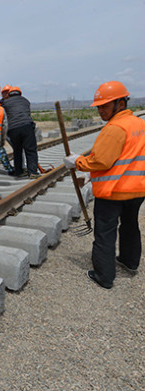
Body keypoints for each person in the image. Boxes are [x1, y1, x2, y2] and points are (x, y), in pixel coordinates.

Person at [64, 81, 145, 289]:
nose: (100, 110)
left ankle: (103, 276)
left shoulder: (114, 128)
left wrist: (77, 162)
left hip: (113, 192)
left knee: (105, 233)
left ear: (120, 103)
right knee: (130, 226)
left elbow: (100, 161)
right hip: (137, 189)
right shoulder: (139, 124)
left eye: (105, 106)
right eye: (99, 106)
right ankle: (130, 261)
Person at [1, 86, 40, 179]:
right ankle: (33, 172)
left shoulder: (5, 103)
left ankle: (19, 172)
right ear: (20, 93)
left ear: (9, 94)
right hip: (27, 127)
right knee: (30, 150)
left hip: (13, 129)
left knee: (17, 150)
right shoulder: (26, 101)